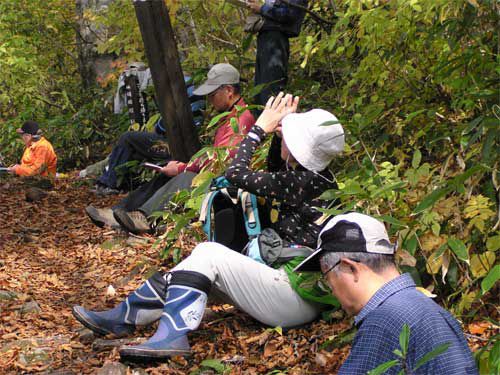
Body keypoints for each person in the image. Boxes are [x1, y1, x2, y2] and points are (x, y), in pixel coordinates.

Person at [71, 93, 345, 362]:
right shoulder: (314, 178)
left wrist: (258, 130)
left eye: (289, 137)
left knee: (209, 253)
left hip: (294, 297)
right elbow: (277, 167)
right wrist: (278, 135)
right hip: (290, 291)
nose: (284, 135)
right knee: (187, 273)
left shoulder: (301, 182)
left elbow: (235, 174)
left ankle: (172, 336)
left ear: (298, 148)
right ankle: (124, 317)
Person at [294, 212, 478, 374]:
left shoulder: (384, 321)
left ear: (349, 268)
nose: (331, 289)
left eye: (326, 277)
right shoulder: (422, 306)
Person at [86, 63, 255, 233]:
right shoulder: (229, 116)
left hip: (223, 183)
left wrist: (183, 167)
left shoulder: (242, 119)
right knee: (165, 176)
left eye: (213, 94)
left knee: (186, 176)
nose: (210, 100)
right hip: (213, 175)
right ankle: (118, 212)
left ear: (229, 91)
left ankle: (144, 217)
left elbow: (221, 161)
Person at [93, 76, 205, 195]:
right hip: (178, 143)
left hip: (175, 146)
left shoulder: (186, 96)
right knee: (131, 147)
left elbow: (163, 126)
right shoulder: (192, 93)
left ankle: (108, 183)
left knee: (127, 138)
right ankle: (118, 183)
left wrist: (158, 127)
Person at [247, 0, 307, 105]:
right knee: (260, 90)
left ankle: (272, 118)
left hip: (276, 38)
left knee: (270, 88)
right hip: (265, 36)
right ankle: (261, 117)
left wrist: (262, 8)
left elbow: (291, 15)